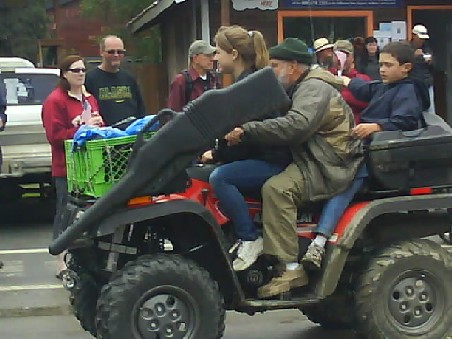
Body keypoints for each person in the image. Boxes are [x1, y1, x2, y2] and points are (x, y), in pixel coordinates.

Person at [225, 38, 363, 299]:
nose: (272, 71)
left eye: (276, 66)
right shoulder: (300, 86)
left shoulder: (313, 88)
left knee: (277, 189)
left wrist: (248, 131)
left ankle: (290, 268)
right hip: (314, 158)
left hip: (328, 165)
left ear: (294, 66)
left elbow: (296, 125)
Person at [301, 41, 430, 270]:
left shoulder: (407, 90)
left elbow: (407, 121)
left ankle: (320, 241)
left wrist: (376, 127)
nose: (382, 69)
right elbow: (362, 88)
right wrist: (331, 78)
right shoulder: (385, 86)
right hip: (366, 150)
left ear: (406, 67)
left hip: (382, 160)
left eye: (388, 65)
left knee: (345, 180)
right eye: (380, 64)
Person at [201, 26, 292, 271]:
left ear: (234, 54)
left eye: (218, 52)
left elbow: (256, 136)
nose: (214, 58)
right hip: (262, 156)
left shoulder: (252, 86)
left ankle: (249, 238)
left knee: (221, 177)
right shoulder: (247, 82)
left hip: (274, 160)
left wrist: (219, 154)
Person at [42, 55, 103, 278]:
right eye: (75, 70)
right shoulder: (55, 101)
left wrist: (96, 125)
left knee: (86, 213)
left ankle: (84, 258)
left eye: (83, 70)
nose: (80, 74)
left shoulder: (89, 99)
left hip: (90, 168)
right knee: (65, 212)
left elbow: (99, 124)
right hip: (66, 167)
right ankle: (60, 260)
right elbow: (55, 136)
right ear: (64, 74)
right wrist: (81, 129)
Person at [85, 35, 146, 128]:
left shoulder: (129, 78)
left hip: (131, 135)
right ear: (101, 52)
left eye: (120, 52)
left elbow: (140, 109)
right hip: (103, 137)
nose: (116, 55)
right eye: (111, 52)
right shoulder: (89, 79)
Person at [167, 40, 217, 112]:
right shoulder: (181, 81)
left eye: (213, 55)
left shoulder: (213, 79)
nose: (212, 59)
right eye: (207, 55)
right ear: (195, 59)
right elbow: (173, 113)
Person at [331, 40, 371, 124]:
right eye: (336, 55)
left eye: (345, 55)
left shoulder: (363, 80)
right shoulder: (326, 77)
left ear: (352, 58)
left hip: (356, 129)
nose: (340, 59)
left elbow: (370, 103)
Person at [410, 24, 434, 114]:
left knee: (430, 109)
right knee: (415, 107)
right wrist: (413, 56)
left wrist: (430, 62)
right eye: (420, 38)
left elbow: (434, 66)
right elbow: (402, 63)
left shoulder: (427, 48)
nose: (422, 40)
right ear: (413, 36)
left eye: (423, 38)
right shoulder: (406, 47)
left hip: (427, 82)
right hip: (413, 83)